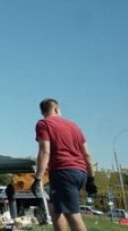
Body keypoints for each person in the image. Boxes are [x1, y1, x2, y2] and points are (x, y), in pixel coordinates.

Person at [31, 98, 96, 231]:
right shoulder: (74, 126)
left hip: (63, 172)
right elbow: (87, 154)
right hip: (80, 172)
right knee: (54, 209)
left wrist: (38, 178)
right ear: (56, 109)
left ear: (43, 111)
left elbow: (45, 151)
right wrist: (91, 178)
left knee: (72, 215)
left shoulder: (43, 124)